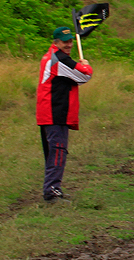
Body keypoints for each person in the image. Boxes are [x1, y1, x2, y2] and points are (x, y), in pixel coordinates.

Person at [36, 26, 93, 202]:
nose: (68, 45)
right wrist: (86, 65)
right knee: (58, 152)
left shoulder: (53, 57)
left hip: (50, 112)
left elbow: (75, 77)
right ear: (56, 42)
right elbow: (84, 76)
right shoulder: (58, 60)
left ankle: (52, 189)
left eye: (70, 41)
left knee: (53, 152)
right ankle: (52, 191)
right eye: (64, 42)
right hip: (55, 112)